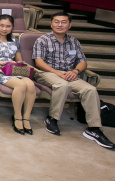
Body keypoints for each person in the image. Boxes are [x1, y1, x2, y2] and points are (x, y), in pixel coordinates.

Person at [33, 12, 114, 148]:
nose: (60, 25)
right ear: (51, 24)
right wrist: (57, 73)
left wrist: (75, 71)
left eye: (63, 22)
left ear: (69, 25)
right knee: (62, 85)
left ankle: (94, 128)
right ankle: (52, 118)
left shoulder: (74, 42)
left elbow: (82, 62)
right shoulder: (42, 40)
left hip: (70, 74)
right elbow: (39, 62)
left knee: (90, 89)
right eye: (57, 22)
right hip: (48, 72)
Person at [0, 15, 36, 135]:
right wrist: (3, 63)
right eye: (2, 25)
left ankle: (26, 118)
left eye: (8, 26)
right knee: (20, 85)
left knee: (30, 85)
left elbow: (19, 59)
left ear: (12, 27)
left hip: (13, 70)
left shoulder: (15, 40)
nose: (4, 29)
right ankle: (17, 117)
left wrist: (18, 63)